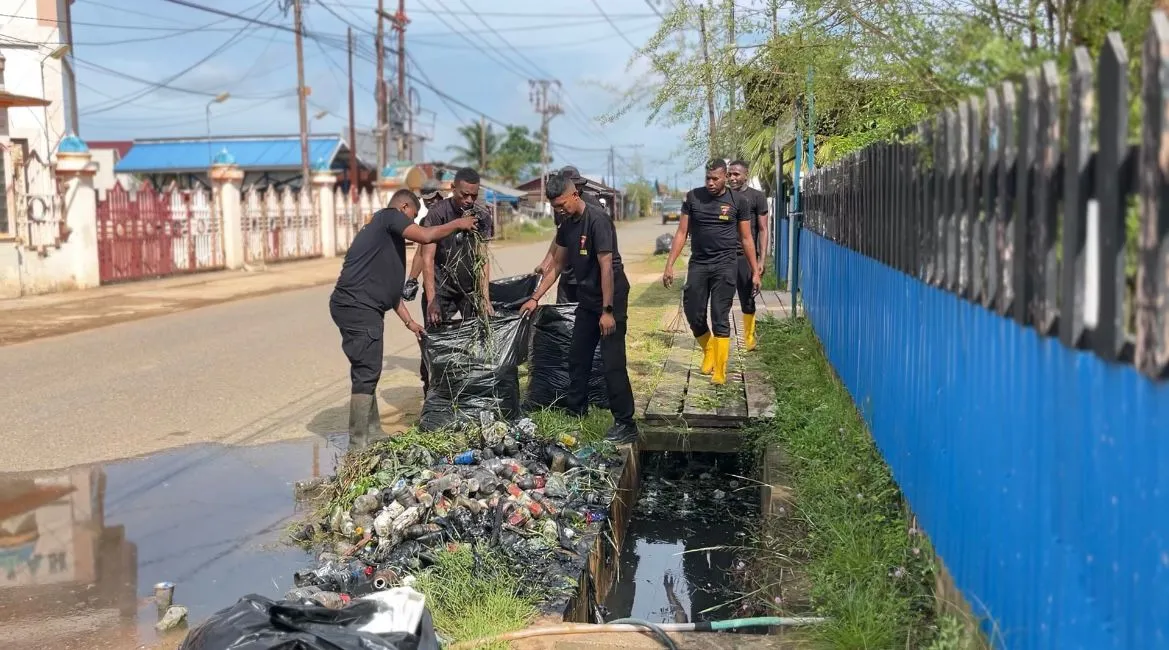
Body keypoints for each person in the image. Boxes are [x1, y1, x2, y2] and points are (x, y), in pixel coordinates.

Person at [329, 189, 477, 450]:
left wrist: (410, 323)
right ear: (405, 207)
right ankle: (358, 442)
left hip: (359, 306)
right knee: (367, 371)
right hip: (358, 306)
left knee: (368, 368)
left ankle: (372, 432)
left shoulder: (383, 235)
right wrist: (458, 224)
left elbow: (391, 292)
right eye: (412, 216)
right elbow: (426, 235)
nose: (411, 222)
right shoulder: (390, 217)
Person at [520, 174, 639, 443]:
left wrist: (608, 311)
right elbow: (558, 266)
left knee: (612, 362)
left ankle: (626, 423)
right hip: (587, 299)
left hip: (611, 298)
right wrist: (536, 297)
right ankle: (577, 408)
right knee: (578, 355)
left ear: (574, 194)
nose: (559, 210)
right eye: (555, 207)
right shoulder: (566, 224)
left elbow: (607, 268)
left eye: (562, 204)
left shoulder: (597, 220)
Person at [661, 159, 761, 385]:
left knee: (719, 316)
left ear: (725, 177)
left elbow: (746, 238)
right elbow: (681, 233)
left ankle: (720, 371)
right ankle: (709, 350)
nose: (710, 183)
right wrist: (669, 265)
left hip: (726, 265)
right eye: (707, 178)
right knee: (693, 313)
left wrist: (755, 271)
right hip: (699, 264)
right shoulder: (693, 198)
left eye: (715, 178)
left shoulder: (739, 201)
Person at [420, 167, 495, 326]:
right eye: (464, 194)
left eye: (473, 195)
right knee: (436, 340)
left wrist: (485, 298)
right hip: (441, 289)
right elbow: (427, 258)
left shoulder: (482, 216)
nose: (469, 200)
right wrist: (431, 300)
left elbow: (482, 259)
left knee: (475, 340)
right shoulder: (437, 213)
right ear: (453, 189)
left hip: (468, 290)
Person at [534, 166, 601, 303]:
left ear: (577, 189)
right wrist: (546, 262)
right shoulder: (560, 206)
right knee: (563, 317)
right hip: (567, 274)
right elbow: (560, 236)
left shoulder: (594, 209)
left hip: (589, 277)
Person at [727, 159, 770, 351]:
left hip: (746, 256)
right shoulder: (722, 197)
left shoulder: (756, 197)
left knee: (748, 298)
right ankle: (722, 339)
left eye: (736, 174)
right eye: (729, 174)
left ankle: (749, 339)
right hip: (724, 256)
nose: (732, 178)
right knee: (722, 300)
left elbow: (763, 229)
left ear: (746, 175)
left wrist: (761, 260)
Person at [403, 179, 445, 302]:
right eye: (426, 199)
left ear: (441, 195)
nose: (429, 202)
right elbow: (421, 253)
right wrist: (412, 280)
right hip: (435, 282)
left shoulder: (453, 215)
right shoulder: (425, 222)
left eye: (433, 197)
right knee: (432, 317)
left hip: (460, 283)